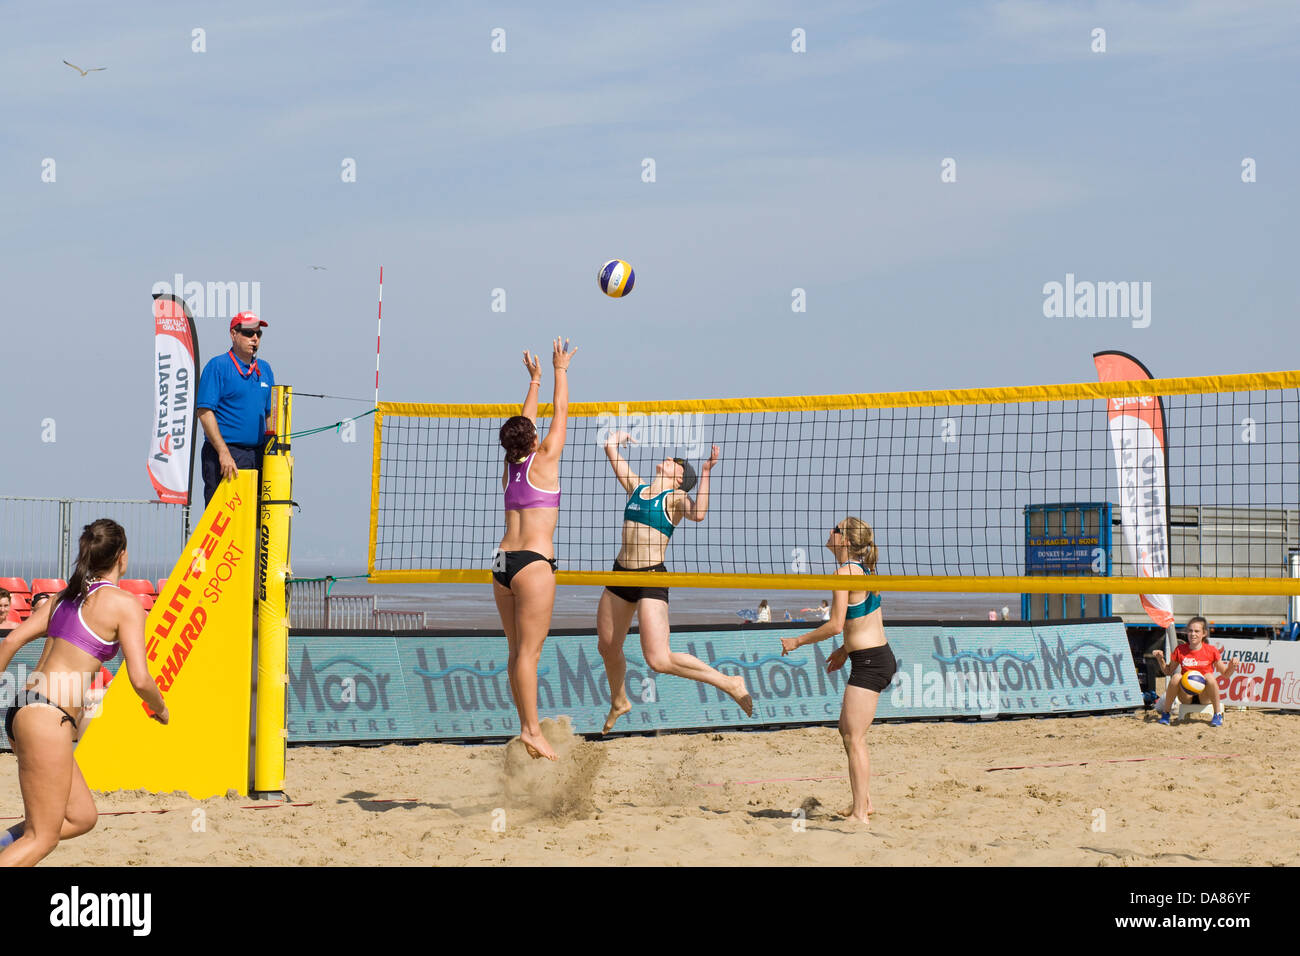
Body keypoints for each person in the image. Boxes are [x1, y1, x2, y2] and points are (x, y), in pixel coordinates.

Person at [0, 519, 168, 865]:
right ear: (122, 556)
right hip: (49, 716)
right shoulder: (124, 604)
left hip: (25, 709)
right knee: (42, 837)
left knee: (81, 817)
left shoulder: (66, 595)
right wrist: (160, 707)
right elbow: (140, 679)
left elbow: (13, 639)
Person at [597, 433, 751, 733]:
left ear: (681, 479)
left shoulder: (675, 499)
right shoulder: (637, 487)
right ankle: (619, 701)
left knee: (658, 659)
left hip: (651, 578)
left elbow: (699, 513)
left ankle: (729, 682)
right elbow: (611, 451)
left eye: (677, 463)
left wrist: (705, 473)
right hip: (619, 575)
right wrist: (614, 440)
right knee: (607, 646)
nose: (670, 459)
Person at [779, 517, 894, 824]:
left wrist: (797, 641)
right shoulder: (866, 570)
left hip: (871, 662)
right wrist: (846, 650)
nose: (830, 531)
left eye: (836, 528)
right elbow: (865, 618)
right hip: (870, 657)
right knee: (847, 732)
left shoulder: (844, 573)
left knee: (854, 737)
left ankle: (860, 814)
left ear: (844, 540)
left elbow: (835, 625)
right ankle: (864, 802)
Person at [492, 339, 575, 761]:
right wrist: (559, 371)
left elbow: (525, 423)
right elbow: (560, 414)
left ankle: (524, 723)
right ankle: (530, 729)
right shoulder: (544, 460)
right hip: (531, 564)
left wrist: (535, 380)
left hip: (502, 560)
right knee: (530, 653)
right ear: (534, 439)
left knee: (515, 652)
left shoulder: (511, 464)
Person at [195, 311, 274, 507]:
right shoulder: (218, 366)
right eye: (248, 333)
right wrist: (223, 452)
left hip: (257, 453)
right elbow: (204, 412)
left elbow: (270, 413)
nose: (254, 338)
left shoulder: (265, 369)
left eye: (258, 334)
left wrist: (273, 450)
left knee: (254, 517)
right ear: (233, 334)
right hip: (225, 453)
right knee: (222, 516)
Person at [1151, 616, 1237, 727]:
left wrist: (1232, 667)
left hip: (1204, 695)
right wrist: (1160, 659)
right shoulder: (1180, 650)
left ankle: (1217, 714)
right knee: (1176, 676)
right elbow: (1168, 671)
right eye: (1190, 631)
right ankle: (1166, 714)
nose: (1193, 634)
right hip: (1186, 694)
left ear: (1204, 633)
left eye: (1197, 631)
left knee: (1209, 676)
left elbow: (1226, 674)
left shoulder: (1211, 650)